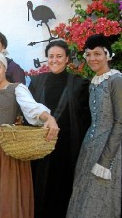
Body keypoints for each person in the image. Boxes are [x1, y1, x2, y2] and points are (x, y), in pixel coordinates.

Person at [0, 52, 59, 218]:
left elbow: (33, 108)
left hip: (10, 150)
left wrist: (49, 118)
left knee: (8, 194)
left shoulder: (17, 89)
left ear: (4, 68)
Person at [28, 40, 91, 218]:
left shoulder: (80, 84)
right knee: (40, 187)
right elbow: (28, 113)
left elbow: (86, 119)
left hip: (67, 147)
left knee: (63, 189)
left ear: (67, 59)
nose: (54, 60)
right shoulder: (37, 82)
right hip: (41, 147)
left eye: (59, 56)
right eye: (51, 56)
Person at [66, 34, 121, 218]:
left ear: (107, 55)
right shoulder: (94, 83)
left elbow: (120, 122)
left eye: (97, 54)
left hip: (111, 150)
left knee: (100, 198)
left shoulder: (116, 80)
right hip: (90, 147)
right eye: (88, 54)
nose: (92, 59)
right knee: (83, 195)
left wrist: (106, 161)